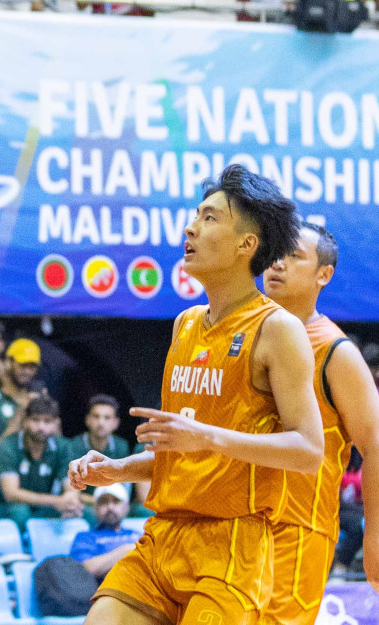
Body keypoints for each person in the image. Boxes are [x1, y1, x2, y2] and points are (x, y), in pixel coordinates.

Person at [69, 164, 323, 625]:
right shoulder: (185, 324)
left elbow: (308, 450)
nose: (190, 227)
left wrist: (207, 437)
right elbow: (183, 454)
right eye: (195, 215)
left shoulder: (277, 329)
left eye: (209, 218)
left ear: (247, 244)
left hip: (232, 547)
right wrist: (118, 470)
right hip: (164, 535)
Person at [262, 223, 379, 617]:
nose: (277, 264)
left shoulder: (336, 352)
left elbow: (376, 448)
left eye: (293, 256)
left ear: (323, 274)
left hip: (297, 535)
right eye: (274, 253)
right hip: (236, 527)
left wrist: (375, 540)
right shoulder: (244, 332)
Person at [0, 395, 81, 527]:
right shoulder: (8, 445)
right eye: (35, 420)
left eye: (47, 421)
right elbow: (11, 494)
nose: (41, 427)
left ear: (55, 424)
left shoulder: (63, 446)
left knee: (85, 513)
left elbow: (72, 488)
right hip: (2, 508)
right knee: (20, 511)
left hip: (42, 507)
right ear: (25, 421)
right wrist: (56, 501)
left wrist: (70, 502)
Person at [0, 338, 47, 466]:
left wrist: (45, 412)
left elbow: (56, 445)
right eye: (23, 365)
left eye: (32, 367)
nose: (28, 371)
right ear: (8, 363)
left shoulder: (37, 399)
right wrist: (22, 412)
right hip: (3, 472)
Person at [68, 485, 139, 581]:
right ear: (95, 509)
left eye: (116, 502)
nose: (110, 507)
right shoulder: (85, 538)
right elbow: (86, 569)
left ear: (126, 508)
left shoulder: (139, 535)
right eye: (104, 502)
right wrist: (128, 549)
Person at [67, 396, 129, 469]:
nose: (101, 423)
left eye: (107, 417)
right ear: (87, 419)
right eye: (96, 416)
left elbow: (124, 478)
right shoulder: (73, 445)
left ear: (116, 423)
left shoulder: (122, 446)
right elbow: (67, 478)